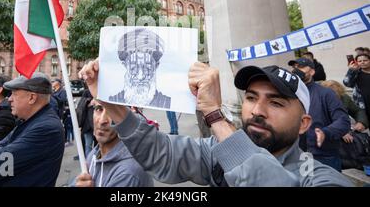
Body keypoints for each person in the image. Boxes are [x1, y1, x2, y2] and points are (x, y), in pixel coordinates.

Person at [79, 59, 352, 187]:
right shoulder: (214, 152)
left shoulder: (321, 177)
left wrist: (215, 115)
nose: (258, 110)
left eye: (276, 102)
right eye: (251, 97)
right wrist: (112, 104)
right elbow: (161, 154)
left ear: (304, 123)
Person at [0, 72, 65, 187]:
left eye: (14, 94)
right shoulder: (30, 120)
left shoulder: (45, 129)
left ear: (32, 97)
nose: (9, 99)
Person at [75, 99, 154, 187]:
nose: (102, 121)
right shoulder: (95, 153)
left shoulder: (128, 173)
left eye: (111, 112)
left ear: (127, 118)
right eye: (98, 109)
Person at [290, 57, 350, 171]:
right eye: (294, 67)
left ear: (312, 71)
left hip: (325, 156)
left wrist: (325, 132)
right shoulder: (289, 94)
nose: (296, 70)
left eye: (301, 67)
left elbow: (343, 121)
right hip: (299, 155)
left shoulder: (326, 93)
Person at [109, 28, 171, 109]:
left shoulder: (166, 102)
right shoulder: (111, 101)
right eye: (134, 68)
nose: (140, 76)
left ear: (156, 66)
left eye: (147, 69)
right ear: (125, 65)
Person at [343, 53, 370, 126]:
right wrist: (351, 70)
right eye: (360, 61)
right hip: (364, 105)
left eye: (365, 60)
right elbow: (346, 83)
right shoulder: (356, 73)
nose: (362, 62)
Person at [76, 89, 95, 156]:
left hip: (93, 126)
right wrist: (89, 102)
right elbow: (81, 108)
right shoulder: (86, 93)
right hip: (88, 126)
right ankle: (89, 163)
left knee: (91, 146)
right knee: (88, 146)